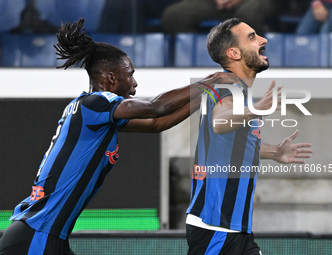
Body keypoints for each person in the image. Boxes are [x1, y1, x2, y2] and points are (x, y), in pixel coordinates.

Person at [0, 19, 236, 255]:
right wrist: (211, 81)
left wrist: (209, 94)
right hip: (36, 236)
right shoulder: (97, 102)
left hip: (44, 235)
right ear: (111, 78)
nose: (134, 84)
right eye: (130, 75)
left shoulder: (95, 113)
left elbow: (157, 123)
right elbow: (157, 106)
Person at [185, 18, 313, 254]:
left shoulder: (241, 94)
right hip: (215, 227)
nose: (263, 40)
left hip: (235, 229)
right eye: (252, 37)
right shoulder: (226, 85)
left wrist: (274, 152)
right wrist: (256, 109)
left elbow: (231, 143)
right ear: (233, 53)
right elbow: (219, 123)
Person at [161, 0, 276, 36]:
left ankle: (254, 59)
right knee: (174, 15)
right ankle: (198, 57)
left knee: (250, 14)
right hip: (214, 3)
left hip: (252, 2)